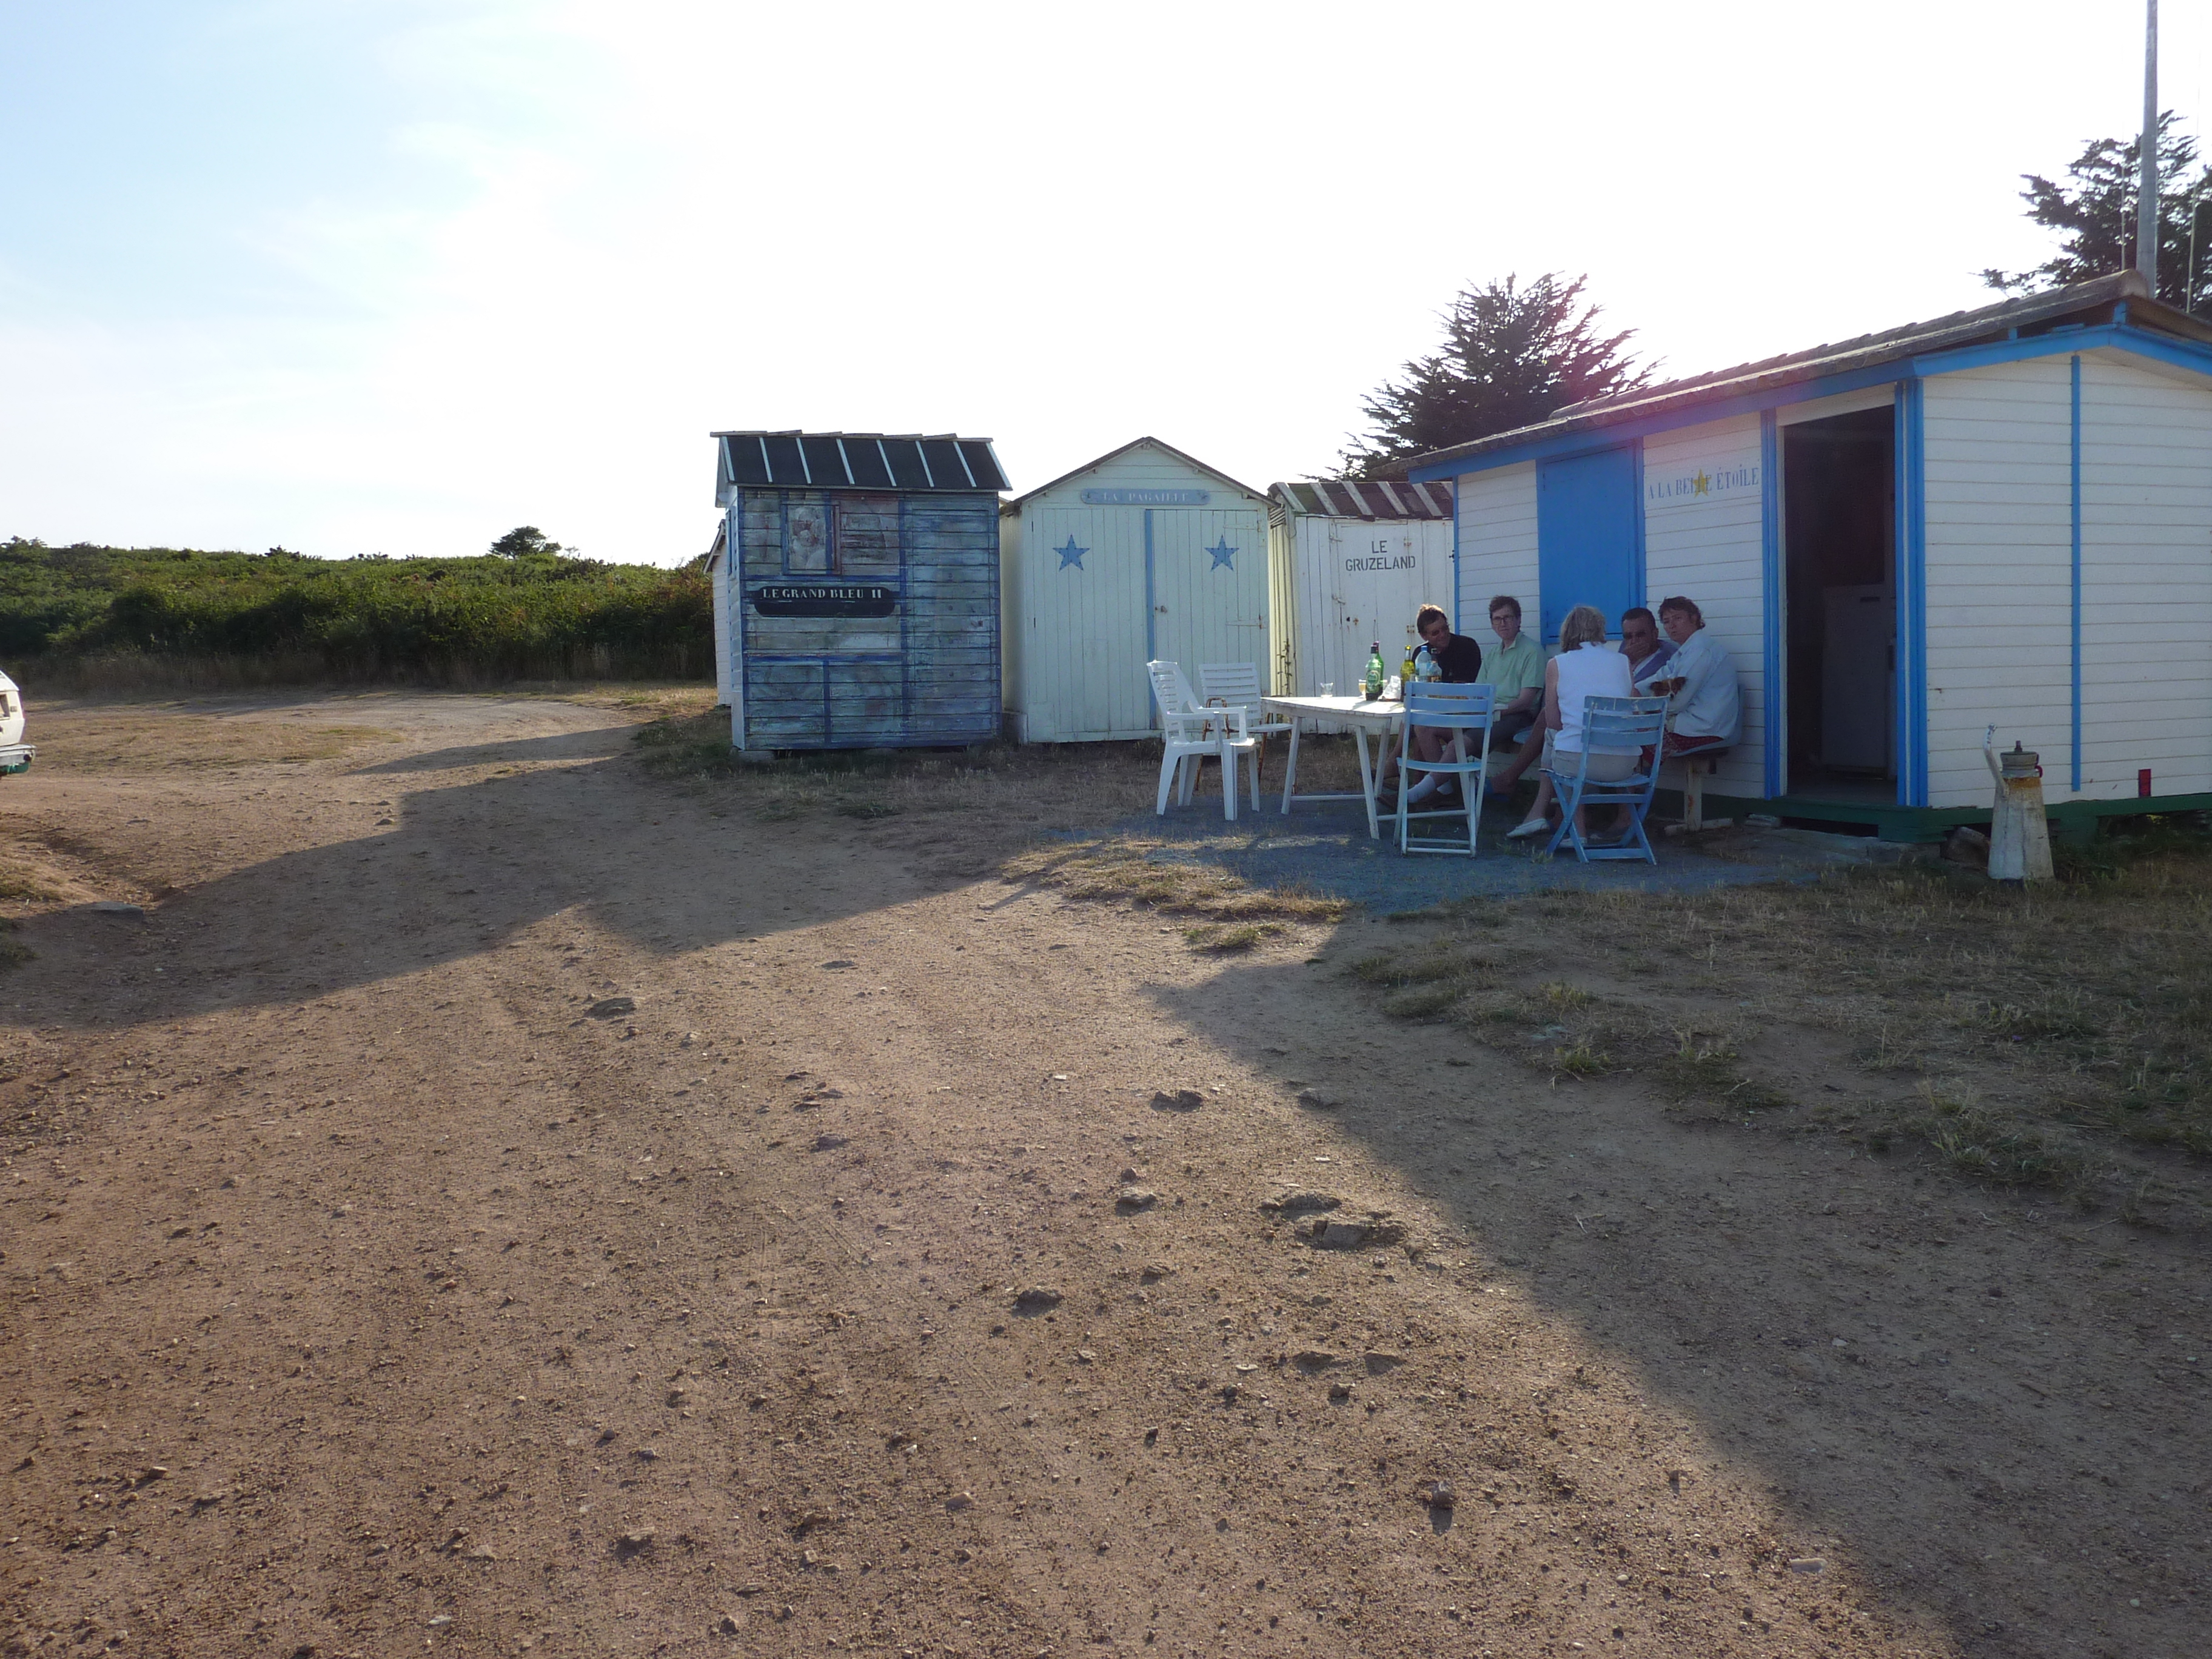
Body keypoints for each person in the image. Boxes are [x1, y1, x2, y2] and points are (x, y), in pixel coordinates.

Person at [1506, 605, 1637, 842]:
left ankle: (1574, 830)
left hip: (1580, 764)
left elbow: (1554, 722)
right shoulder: (1623, 662)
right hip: (1625, 765)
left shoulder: (1557, 664)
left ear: (1567, 632)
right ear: (1600, 630)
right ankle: (1543, 816)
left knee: (1559, 740)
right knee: (1571, 742)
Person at [1381, 603, 1482, 806]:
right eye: (1436, 633)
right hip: (1436, 713)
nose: (1443, 635)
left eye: (1445, 629)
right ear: (1424, 635)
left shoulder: (1466, 646)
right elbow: (1414, 689)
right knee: (1415, 717)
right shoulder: (1422, 653)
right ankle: (1423, 784)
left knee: (1419, 722)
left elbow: (1461, 693)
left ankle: (1438, 788)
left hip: (1465, 716)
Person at [1650, 595, 1740, 757]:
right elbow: (1656, 678)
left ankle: (1632, 782)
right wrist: (1632, 688)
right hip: (1687, 726)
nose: (1672, 626)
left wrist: (1641, 707)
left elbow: (1678, 702)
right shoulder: (1685, 652)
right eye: (1667, 621)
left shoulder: (1701, 651)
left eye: (1678, 618)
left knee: (1635, 740)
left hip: (1703, 730)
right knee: (1630, 736)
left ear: (1694, 618)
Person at [1620, 605, 1675, 689]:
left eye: (1640, 635)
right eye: (1628, 636)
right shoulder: (1623, 652)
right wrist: (1623, 660)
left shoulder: (1670, 658)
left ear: (1655, 634)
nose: (1634, 641)